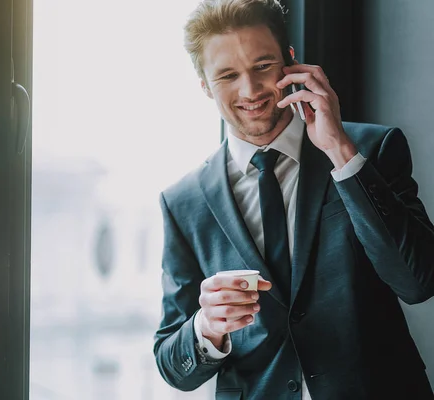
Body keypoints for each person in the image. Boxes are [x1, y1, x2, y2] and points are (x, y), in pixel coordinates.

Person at [152, 0, 434, 398]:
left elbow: (417, 281)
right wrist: (207, 326)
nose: (249, 90)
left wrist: (339, 151)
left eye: (262, 66)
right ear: (204, 85)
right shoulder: (182, 203)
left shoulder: (372, 148)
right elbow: (171, 364)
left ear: (291, 62)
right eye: (228, 75)